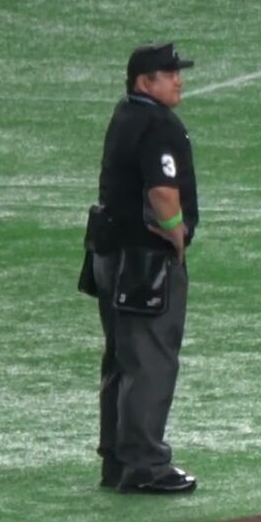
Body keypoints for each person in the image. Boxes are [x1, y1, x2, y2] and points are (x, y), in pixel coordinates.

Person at [88, 42, 200, 493]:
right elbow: (162, 192)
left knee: (121, 358)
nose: (179, 79)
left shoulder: (125, 115)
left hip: (107, 252)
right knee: (150, 362)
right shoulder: (158, 125)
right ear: (144, 82)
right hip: (143, 262)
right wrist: (177, 235)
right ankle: (146, 466)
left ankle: (116, 458)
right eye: (169, 73)